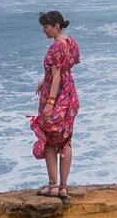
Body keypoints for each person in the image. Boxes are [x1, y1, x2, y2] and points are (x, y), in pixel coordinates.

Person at [30, 10, 80, 199]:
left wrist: (50, 102)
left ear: (56, 27)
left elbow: (57, 73)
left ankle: (53, 186)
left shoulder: (54, 48)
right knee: (65, 139)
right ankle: (64, 187)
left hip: (56, 95)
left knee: (50, 139)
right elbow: (65, 68)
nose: (44, 30)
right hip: (70, 95)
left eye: (46, 27)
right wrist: (46, 79)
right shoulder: (71, 43)